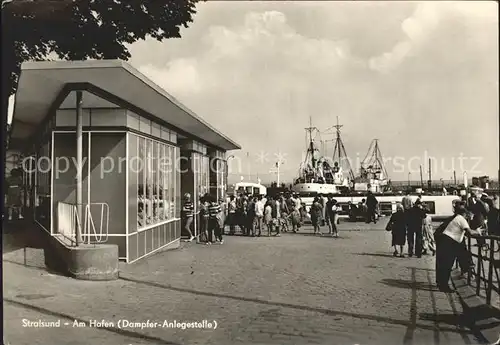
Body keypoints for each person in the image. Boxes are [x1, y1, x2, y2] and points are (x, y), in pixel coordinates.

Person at [435, 201, 483, 292]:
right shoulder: (461, 219)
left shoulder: (457, 218)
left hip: (445, 241)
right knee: (447, 264)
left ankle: (441, 283)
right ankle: (444, 286)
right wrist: (478, 232)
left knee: (443, 263)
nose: (470, 216)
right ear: (465, 213)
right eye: (469, 214)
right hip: (449, 242)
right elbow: (469, 232)